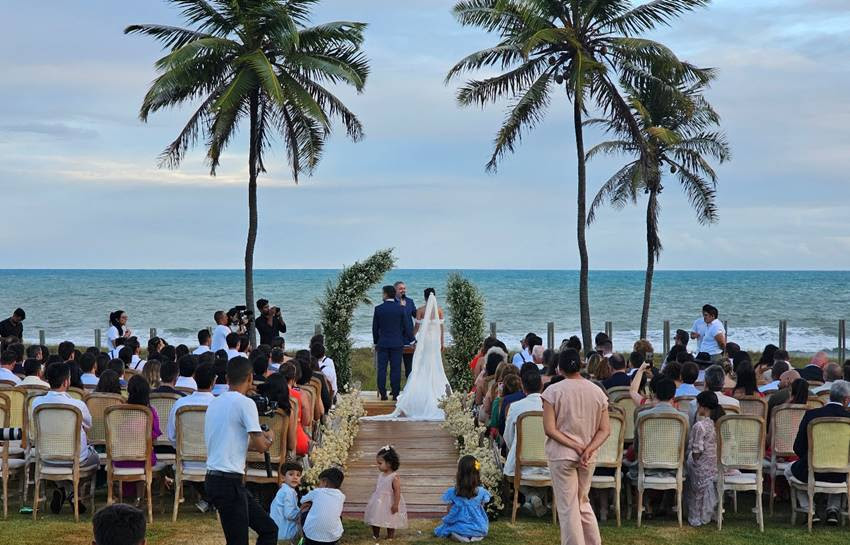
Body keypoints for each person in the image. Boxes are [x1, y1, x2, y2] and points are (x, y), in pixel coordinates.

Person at [204, 356, 276, 545]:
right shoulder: (246, 403)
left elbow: (236, 441)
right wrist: (269, 438)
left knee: (269, 529)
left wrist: (261, 439)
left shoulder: (215, 403)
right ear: (250, 378)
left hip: (216, 479)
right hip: (228, 482)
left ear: (227, 378)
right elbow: (260, 446)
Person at [542, 348, 609, 545]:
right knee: (582, 502)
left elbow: (549, 429)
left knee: (569, 507)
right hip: (588, 455)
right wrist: (587, 449)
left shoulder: (552, 392)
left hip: (562, 455)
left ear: (559, 368)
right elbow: (605, 430)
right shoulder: (597, 391)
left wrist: (576, 447)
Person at [33, 362, 100, 513]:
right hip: (74, 458)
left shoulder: (36, 403)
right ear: (66, 382)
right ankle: (73, 493)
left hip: (46, 457)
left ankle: (63, 489)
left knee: (68, 458)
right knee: (95, 459)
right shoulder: (77, 405)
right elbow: (88, 425)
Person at [787, 380, 850, 525]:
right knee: (840, 468)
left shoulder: (811, 415)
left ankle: (810, 508)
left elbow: (798, 447)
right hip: (842, 473)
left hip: (812, 470)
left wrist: (811, 459)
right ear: (846, 399)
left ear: (830, 396)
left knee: (788, 471)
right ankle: (833, 509)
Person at [502, 368, 548, 517]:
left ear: (523, 386)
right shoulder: (551, 406)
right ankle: (535, 498)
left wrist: (516, 450)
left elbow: (508, 437)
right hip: (547, 461)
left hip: (521, 462)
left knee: (514, 473)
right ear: (541, 386)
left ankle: (530, 498)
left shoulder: (515, 407)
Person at [114, 375, 161, 502]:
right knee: (146, 455)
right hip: (143, 459)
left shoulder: (118, 411)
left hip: (120, 457)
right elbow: (155, 436)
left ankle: (127, 495)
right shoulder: (150, 412)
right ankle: (140, 496)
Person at [686, 391, 725, 526]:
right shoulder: (721, 424)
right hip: (719, 465)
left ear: (702, 406)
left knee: (690, 460)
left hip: (703, 467)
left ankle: (695, 514)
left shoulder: (700, 426)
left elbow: (697, 452)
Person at [434, 455, 490, 542]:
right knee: (481, 528)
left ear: (460, 473)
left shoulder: (453, 492)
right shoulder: (482, 492)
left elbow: (449, 510)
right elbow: (481, 507)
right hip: (477, 525)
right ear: (476, 474)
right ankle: (476, 536)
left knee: (447, 528)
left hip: (459, 525)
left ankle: (459, 535)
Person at [372, 285, 412, 401]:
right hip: (397, 343)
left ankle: (383, 394)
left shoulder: (378, 309)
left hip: (383, 343)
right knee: (396, 369)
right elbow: (406, 326)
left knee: (382, 369)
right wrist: (412, 339)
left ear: (385, 294)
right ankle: (395, 394)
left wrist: (376, 342)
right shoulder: (401, 308)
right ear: (394, 294)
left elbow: (375, 328)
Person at [364, 445, 408, 539]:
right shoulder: (381, 475)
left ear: (389, 463)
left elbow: (397, 491)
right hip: (379, 500)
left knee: (391, 519)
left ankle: (390, 536)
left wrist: (396, 504)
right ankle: (375, 534)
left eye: (380, 463)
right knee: (375, 517)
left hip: (390, 502)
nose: (378, 465)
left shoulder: (394, 477)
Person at [300, 467, 346, 545]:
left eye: (319, 482)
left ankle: (303, 536)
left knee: (305, 509)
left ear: (325, 482)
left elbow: (302, 500)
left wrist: (311, 502)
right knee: (338, 517)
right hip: (333, 538)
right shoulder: (341, 496)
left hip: (311, 536)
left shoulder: (317, 492)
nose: (319, 485)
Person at [270, 463, 303, 544]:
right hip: (284, 532)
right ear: (283, 478)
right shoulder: (288, 492)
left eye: (298, 475)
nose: (295, 477)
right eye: (291, 474)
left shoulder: (285, 489)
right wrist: (302, 513)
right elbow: (289, 514)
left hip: (277, 528)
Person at [394, 281, 417, 379]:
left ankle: (409, 389)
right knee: (396, 366)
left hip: (408, 339)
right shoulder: (391, 302)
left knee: (409, 366)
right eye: (400, 288)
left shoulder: (410, 301)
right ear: (395, 290)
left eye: (404, 288)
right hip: (396, 338)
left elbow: (416, 316)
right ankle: (395, 389)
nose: (403, 290)